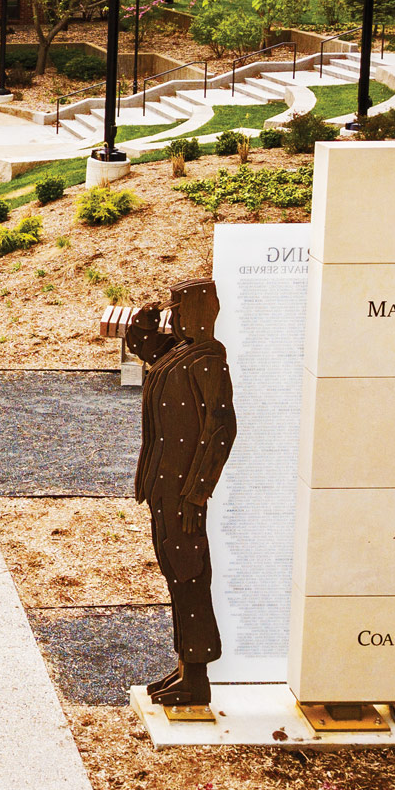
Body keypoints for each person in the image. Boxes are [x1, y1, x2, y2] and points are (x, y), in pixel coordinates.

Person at [124, 278, 237, 709]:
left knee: (190, 576)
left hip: (183, 494)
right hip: (164, 486)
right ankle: (186, 667)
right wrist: (144, 326)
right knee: (177, 575)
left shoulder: (208, 360)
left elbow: (221, 430)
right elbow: (149, 351)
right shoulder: (182, 352)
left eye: (177, 308)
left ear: (197, 311)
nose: (173, 315)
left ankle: (198, 677)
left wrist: (196, 493)